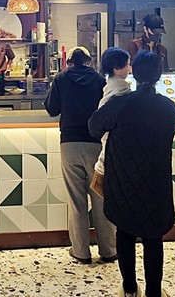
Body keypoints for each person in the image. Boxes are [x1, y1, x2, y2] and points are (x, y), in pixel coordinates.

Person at [89, 51, 175, 297]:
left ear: (133, 73)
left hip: (123, 179)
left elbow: (94, 126)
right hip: (157, 181)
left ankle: (129, 289)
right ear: (159, 75)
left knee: (125, 232)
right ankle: (154, 292)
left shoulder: (121, 104)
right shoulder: (169, 108)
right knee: (153, 238)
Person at [44, 46, 116, 264]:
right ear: (88, 61)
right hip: (95, 143)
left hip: (70, 143)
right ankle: (109, 250)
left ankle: (81, 252)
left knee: (76, 200)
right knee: (101, 198)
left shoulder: (61, 78)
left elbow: (52, 109)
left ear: (69, 62)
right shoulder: (99, 80)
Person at [90, 47, 131, 197]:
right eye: (126, 65)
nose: (129, 69)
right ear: (116, 68)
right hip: (113, 157)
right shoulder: (121, 92)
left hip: (106, 156)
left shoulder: (110, 88)